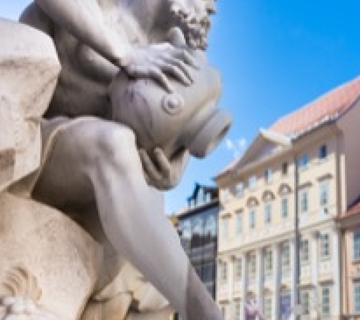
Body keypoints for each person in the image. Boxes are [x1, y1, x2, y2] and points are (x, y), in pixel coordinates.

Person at [14, 0, 224, 319]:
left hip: (104, 204)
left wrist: (169, 172)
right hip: (40, 157)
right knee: (114, 144)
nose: (213, 9)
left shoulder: (183, 60)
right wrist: (125, 54)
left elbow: (173, 164)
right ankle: (204, 312)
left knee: (155, 282)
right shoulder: (99, 9)